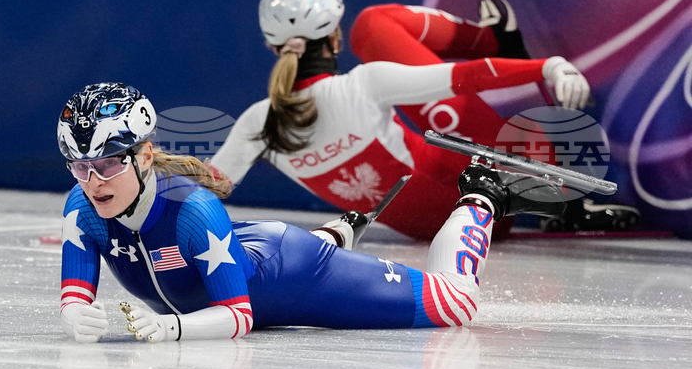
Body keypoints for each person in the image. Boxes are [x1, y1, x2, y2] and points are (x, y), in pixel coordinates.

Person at [57, 82, 565, 343]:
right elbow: (75, 293)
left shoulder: (194, 210)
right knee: (250, 253)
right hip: (247, 251)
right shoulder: (82, 205)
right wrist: (75, 315)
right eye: (79, 168)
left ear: (144, 156)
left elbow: (238, 315)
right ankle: (338, 231)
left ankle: (481, 196)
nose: (93, 182)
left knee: (454, 306)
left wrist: (174, 329)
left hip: (292, 271)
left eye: (106, 165)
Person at [208, 0, 607, 240]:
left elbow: (204, 191)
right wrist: (550, 67)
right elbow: (470, 77)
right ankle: (494, 39)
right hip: (492, 201)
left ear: (272, 47)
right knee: (375, 25)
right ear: (334, 38)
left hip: (453, 229)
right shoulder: (364, 84)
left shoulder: (257, 122)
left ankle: (561, 202)